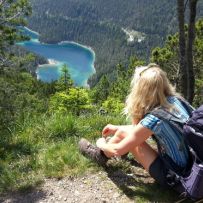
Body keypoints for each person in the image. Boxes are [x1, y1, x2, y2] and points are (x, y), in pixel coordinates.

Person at [79, 63, 193, 187]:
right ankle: (106, 154)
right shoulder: (176, 100)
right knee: (124, 134)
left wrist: (101, 143)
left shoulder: (155, 118)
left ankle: (99, 155)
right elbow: (141, 130)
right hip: (193, 166)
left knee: (124, 139)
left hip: (179, 178)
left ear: (142, 89)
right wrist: (117, 128)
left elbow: (118, 149)